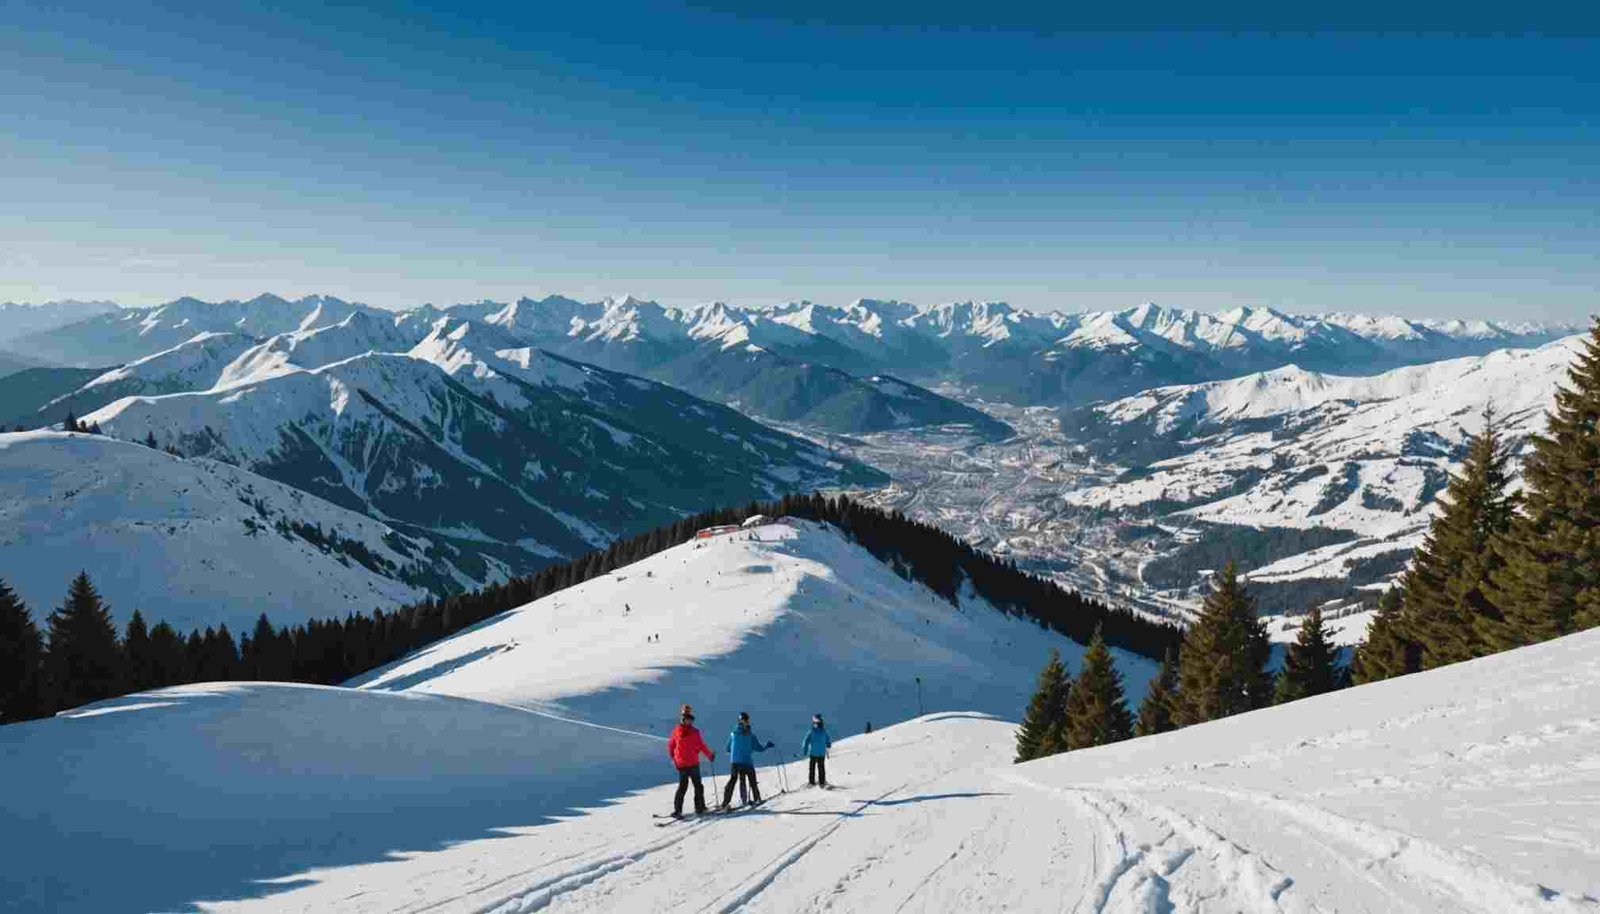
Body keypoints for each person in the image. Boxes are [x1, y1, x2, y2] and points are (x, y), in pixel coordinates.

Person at [667, 704, 714, 816]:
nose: (688, 721)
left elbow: (701, 745)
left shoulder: (693, 732)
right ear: (683, 719)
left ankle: (699, 808)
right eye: (686, 719)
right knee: (685, 787)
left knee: (696, 786)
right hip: (685, 764)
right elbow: (671, 745)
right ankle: (679, 810)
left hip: (692, 763)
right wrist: (674, 758)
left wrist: (709, 755)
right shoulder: (678, 731)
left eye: (689, 720)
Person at [722, 711, 774, 809]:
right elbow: (758, 748)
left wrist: (734, 750)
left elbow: (727, 748)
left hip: (736, 761)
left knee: (735, 780)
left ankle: (728, 802)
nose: (746, 722)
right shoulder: (750, 735)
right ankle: (756, 798)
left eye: (746, 720)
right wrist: (766, 746)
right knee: (751, 780)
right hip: (746, 761)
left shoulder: (733, 734)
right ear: (742, 721)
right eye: (745, 720)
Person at [801, 713, 832, 787]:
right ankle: (822, 782)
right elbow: (827, 739)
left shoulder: (812, 731)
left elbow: (806, 741)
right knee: (821, 768)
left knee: (812, 768)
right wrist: (828, 744)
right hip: (821, 753)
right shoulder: (823, 731)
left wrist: (804, 750)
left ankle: (812, 782)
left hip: (814, 753)